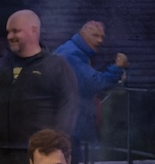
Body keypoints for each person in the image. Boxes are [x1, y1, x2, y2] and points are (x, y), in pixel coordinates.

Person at [0, 10, 79, 164]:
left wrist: (55, 145)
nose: (10, 36)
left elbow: (69, 107)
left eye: (16, 31)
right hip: (1, 155)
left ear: (34, 30)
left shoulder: (56, 66)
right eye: (8, 31)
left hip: (38, 153)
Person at [52, 18, 130, 152]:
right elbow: (94, 83)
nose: (100, 41)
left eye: (102, 37)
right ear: (82, 34)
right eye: (95, 35)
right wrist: (117, 69)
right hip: (68, 121)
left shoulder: (71, 50)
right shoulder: (72, 54)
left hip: (64, 119)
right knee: (71, 158)